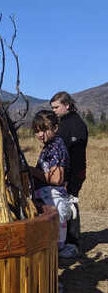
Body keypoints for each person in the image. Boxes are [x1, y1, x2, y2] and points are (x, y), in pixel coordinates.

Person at [29, 110, 72, 250]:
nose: (40, 134)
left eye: (44, 129)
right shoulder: (51, 145)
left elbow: (56, 179)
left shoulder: (56, 147)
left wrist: (31, 171)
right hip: (48, 196)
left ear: (55, 128)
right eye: (37, 131)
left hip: (52, 198)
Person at [50, 91, 88, 251]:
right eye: (52, 108)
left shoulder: (76, 124)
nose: (54, 110)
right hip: (66, 173)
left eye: (56, 107)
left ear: (67, 105)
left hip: (74, 173)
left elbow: (75, 154)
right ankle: (64, 239)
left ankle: (73, 243)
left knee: (70, 203)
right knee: (64, 203)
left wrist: (68, 178)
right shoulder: (64, 123)